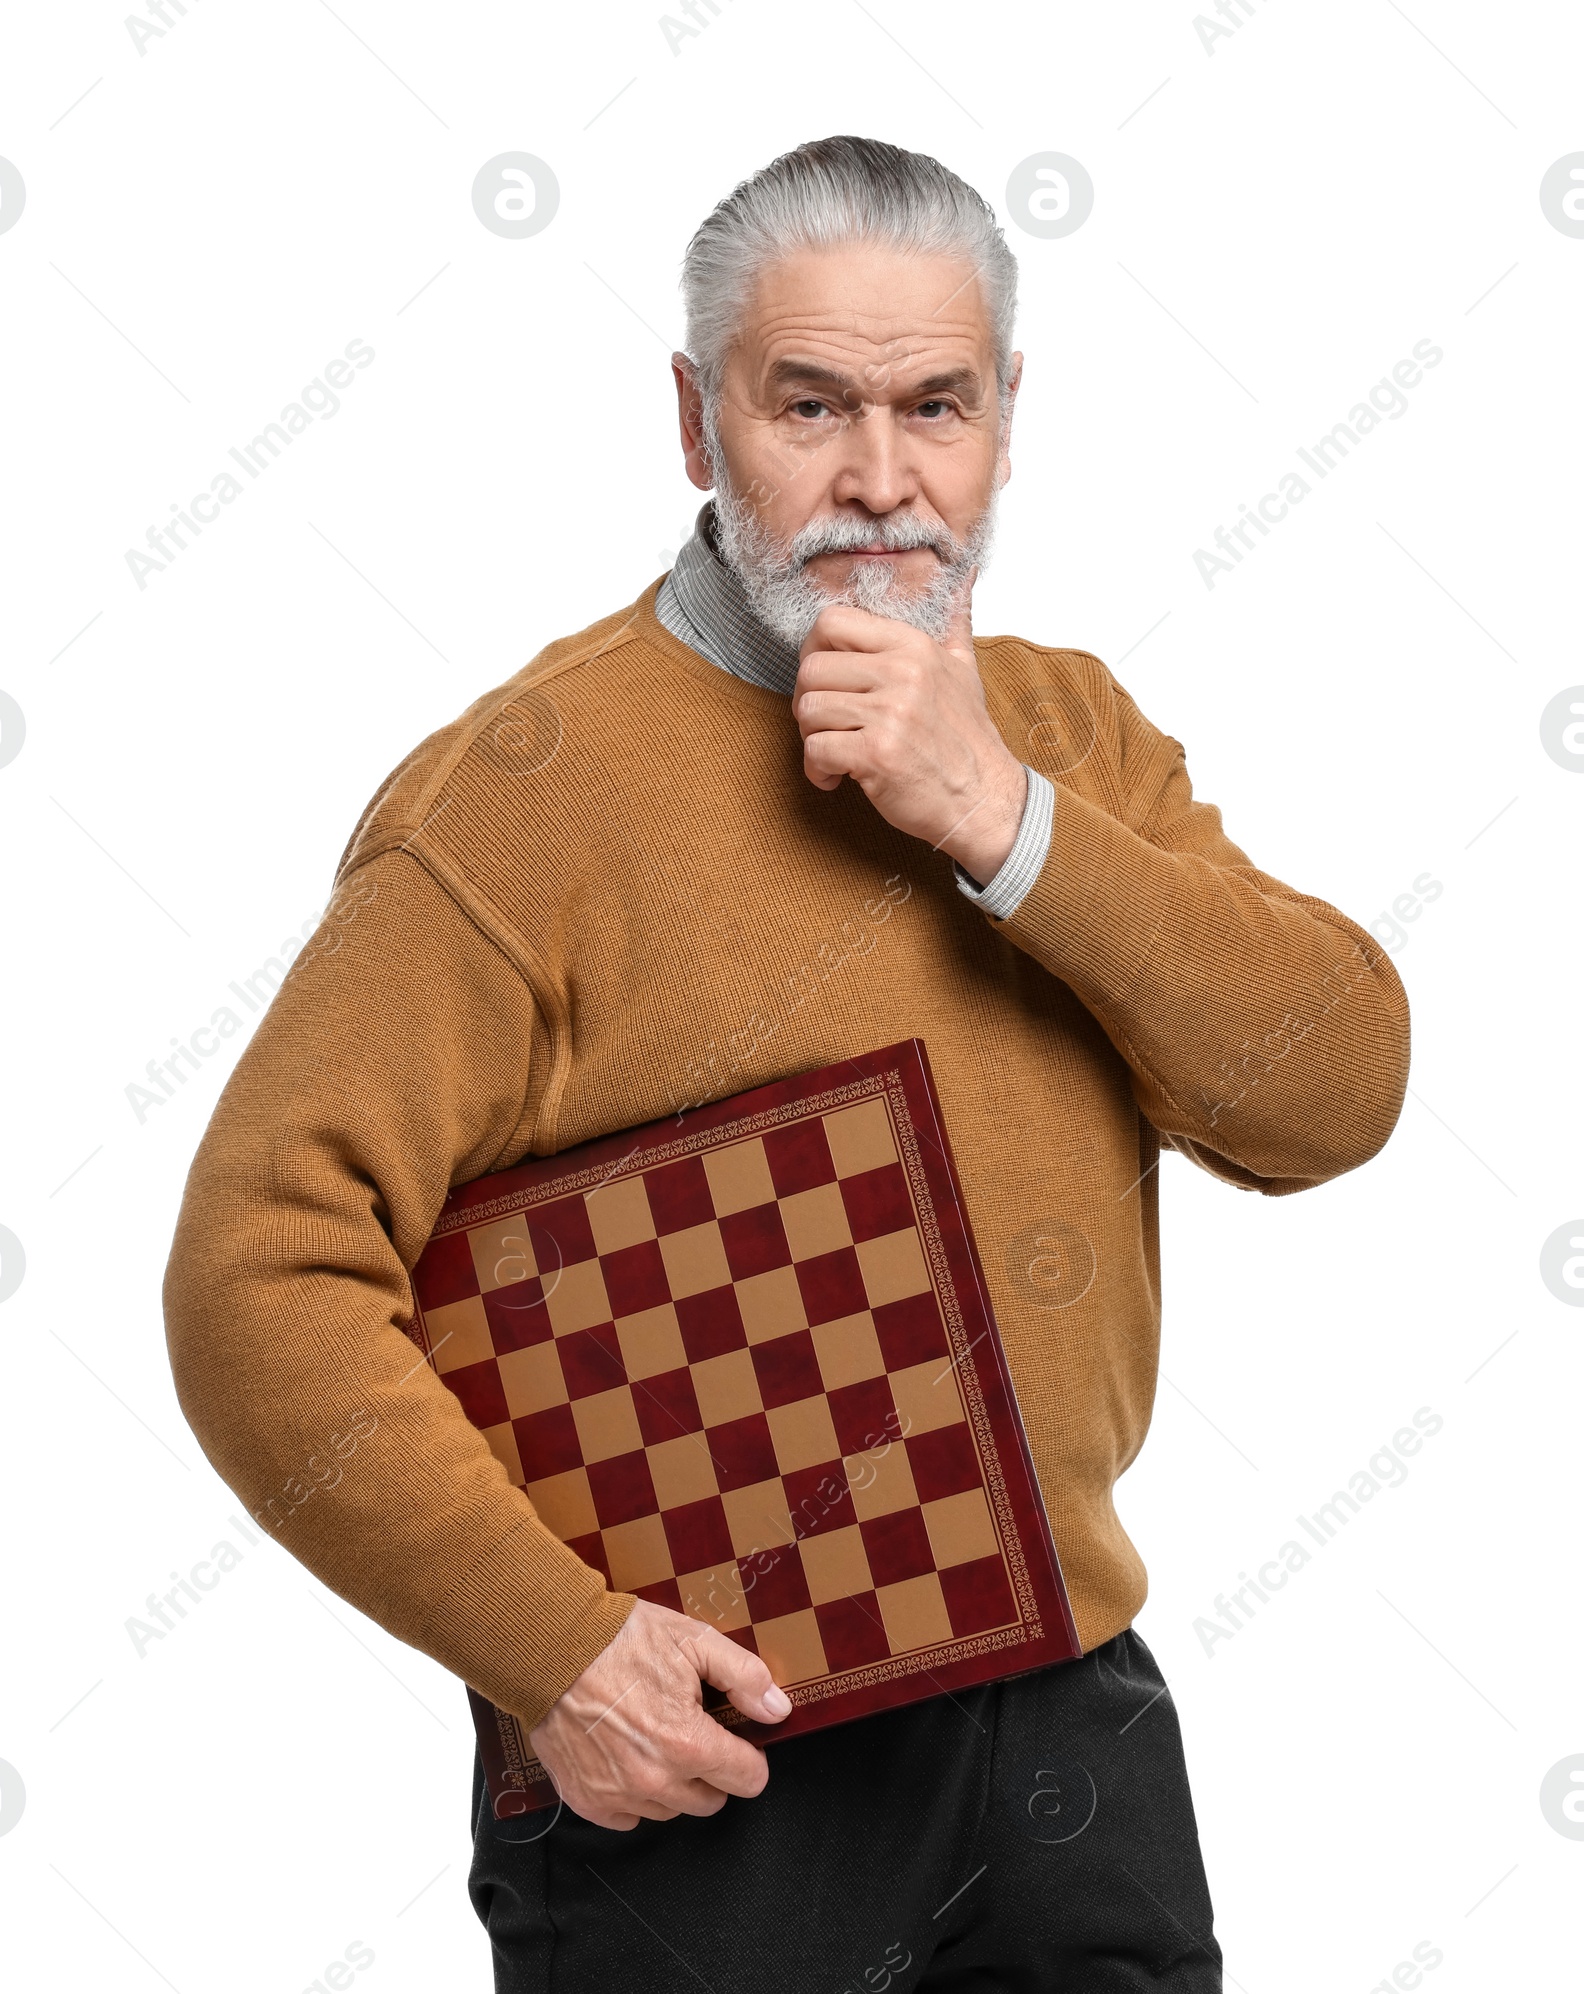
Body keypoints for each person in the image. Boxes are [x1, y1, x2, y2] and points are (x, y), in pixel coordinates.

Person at [163, 135, 1410, 1990]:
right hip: (706, 1763)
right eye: (809, 403)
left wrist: (1000, 817)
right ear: (693, 421)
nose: (882, 481)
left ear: (1009, 420)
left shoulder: (1066, 728)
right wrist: (553, 1646)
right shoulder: (516, 802)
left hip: (1074, 1713)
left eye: (938, 407)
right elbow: (260, 1268)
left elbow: (1337, 1093)